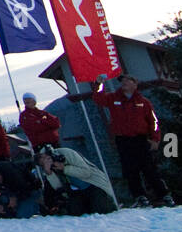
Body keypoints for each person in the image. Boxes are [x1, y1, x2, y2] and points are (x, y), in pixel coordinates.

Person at [70, 75, 174, 207]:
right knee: (130, 170)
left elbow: (153, 122)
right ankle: (140, 197)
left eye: (127, 81)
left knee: (149, 168)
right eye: (122, 81)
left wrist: (155, 139)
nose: (123, 83)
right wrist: (99, 84)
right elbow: (99, 99)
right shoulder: (114, 98)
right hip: (123, 140)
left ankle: (164, 195)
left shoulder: (144, 102)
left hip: (141, 139)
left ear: (134, 84)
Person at [35, 146, 116, 215]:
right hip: (77, 191)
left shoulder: (65, 153)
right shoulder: (48, 167)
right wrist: (49, 173)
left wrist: (64, 168)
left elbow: (86, 172)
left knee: (100, 210)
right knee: (76, 211)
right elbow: (58, 187)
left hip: (94, 185)